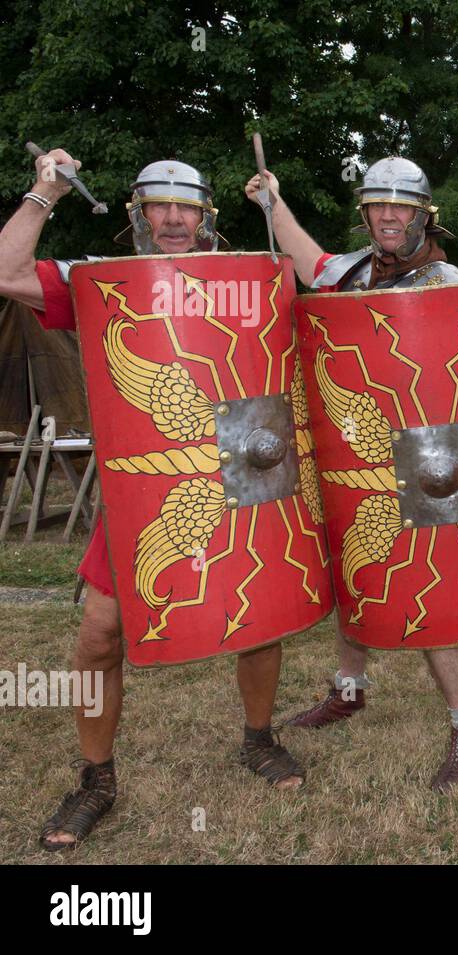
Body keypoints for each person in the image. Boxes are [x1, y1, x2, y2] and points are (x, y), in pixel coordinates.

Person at [0, 151, 305, 851]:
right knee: (102, 633)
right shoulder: (97, 280)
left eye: (185, 207)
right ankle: (96, 778)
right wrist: (45, 192)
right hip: (152, 485)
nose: (172, 218)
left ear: (206, 218)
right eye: (158, 207)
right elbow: (6, 271)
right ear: (137, 215)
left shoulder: (251, 276)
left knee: (258, 612)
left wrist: (279, 210)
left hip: (247, 466)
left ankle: (258, 738)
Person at [247, 157, 458, 790]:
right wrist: (274, 204)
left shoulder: (445, 278)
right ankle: (349, 691)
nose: (387, 216)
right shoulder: (351, 269)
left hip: (431, 461)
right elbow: (305, 260)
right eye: (377, 205)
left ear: (422, 215)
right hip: (358, 452)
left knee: (431, 593)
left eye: (400, 207)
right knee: (358, 570)